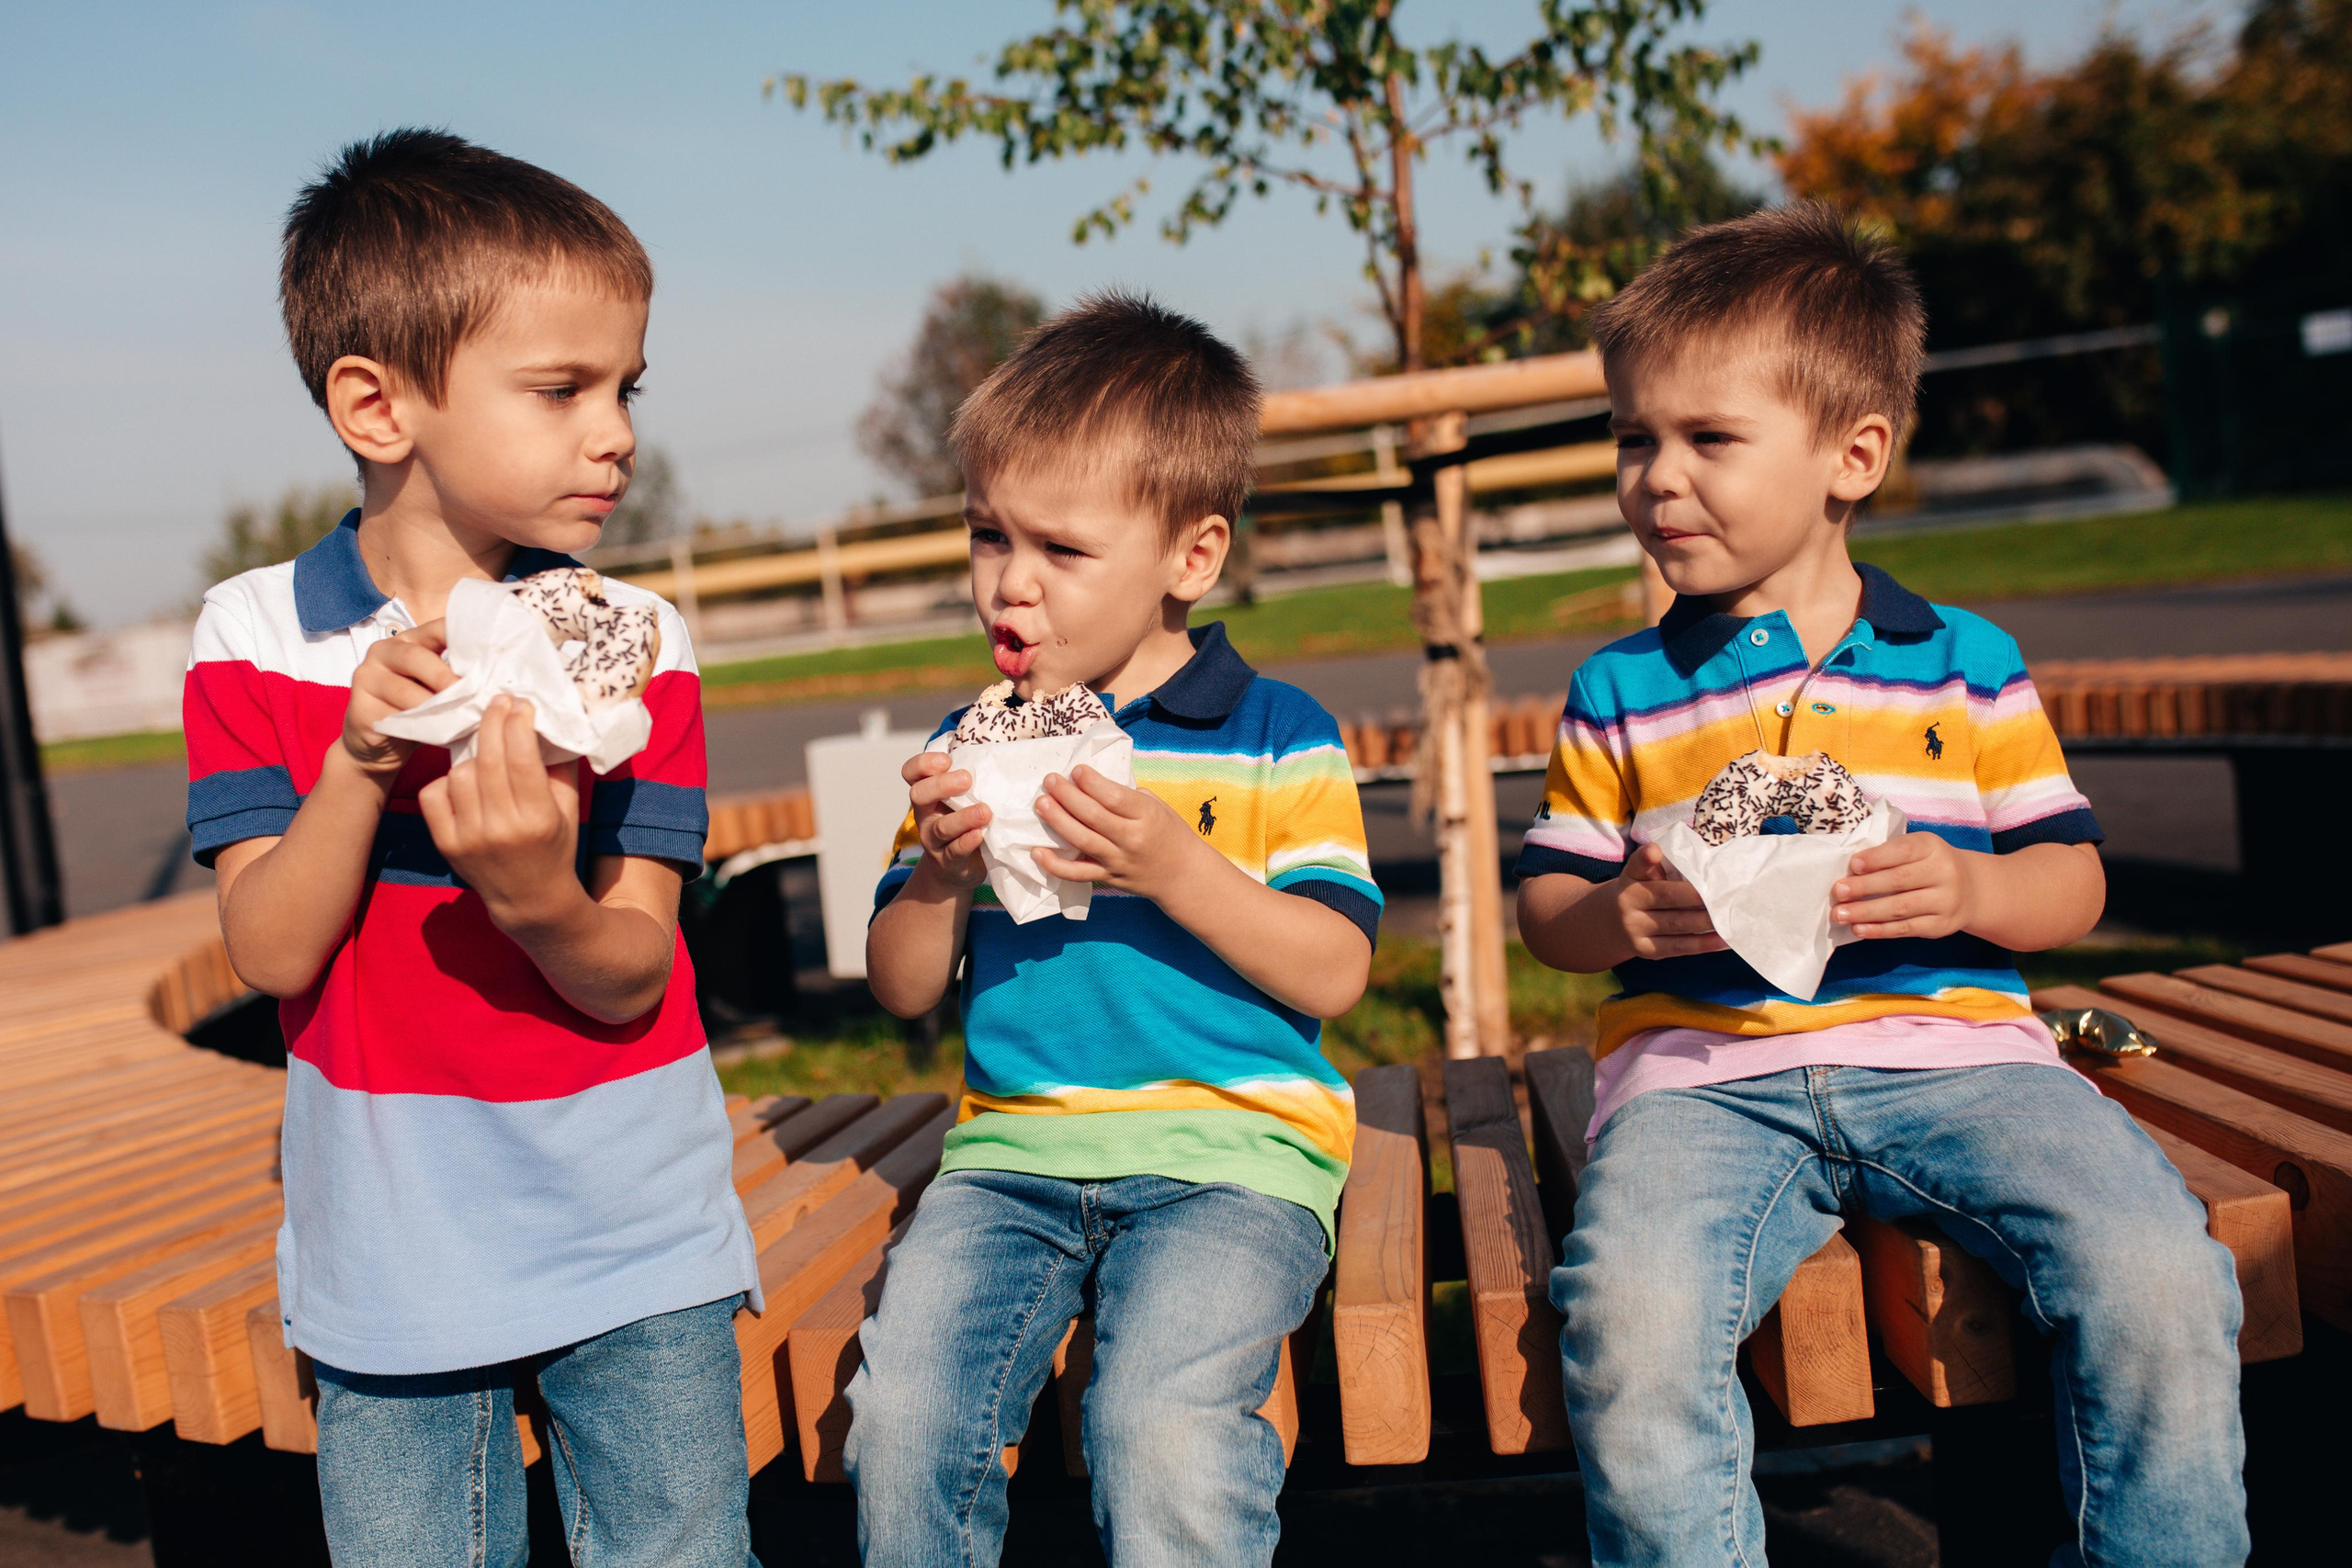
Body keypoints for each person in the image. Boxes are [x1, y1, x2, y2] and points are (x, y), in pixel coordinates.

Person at [1513, 205, 2246, 1568]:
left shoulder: (1964, 663)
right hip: (1702, 1077)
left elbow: (2070, 880)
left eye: (1707, 439)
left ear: (1854, 456)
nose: (1655, 479)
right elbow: (1544, 909)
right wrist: (1617, 916)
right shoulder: (1620, 689)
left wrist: (1969, 891)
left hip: (1964, 1056)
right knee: (1633, 1316)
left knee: (2159, 1270)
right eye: (1633, 438)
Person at [183, 130, 759, 1568]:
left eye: (628, 385)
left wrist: (534, 901)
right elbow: (269, 951)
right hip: (390, 1246)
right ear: (377, 407)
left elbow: (631, 973)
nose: (616, 430)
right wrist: (359, 767)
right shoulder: (257, 636)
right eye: (562, 389)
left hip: (636, 1221)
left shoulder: (637, 644)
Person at [851, 292, 1381, 1568]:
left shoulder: (1276, 731)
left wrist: (1175, 866)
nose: (1010, 584)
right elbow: (899, 987)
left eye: (1061, 551)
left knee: (1161, 1427)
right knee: (905, 1420)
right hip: (1013, 1155)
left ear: (1189, 560)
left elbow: (1339, 966)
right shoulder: (964, 744)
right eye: (988, 537)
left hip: (1237, 1155)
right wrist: (936, 881)